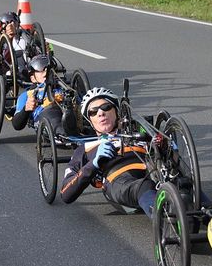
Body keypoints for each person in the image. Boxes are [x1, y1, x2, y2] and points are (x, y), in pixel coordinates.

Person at [60, 87, 158, 216]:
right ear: (89, 120)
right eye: (93, 112)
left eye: (106, 107)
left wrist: (160, 144)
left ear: (117, 111)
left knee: (184, 189)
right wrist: (94, 164)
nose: (101, 113)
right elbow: (65, 193)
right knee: (144, 186)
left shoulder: (137, 130)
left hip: (154, 168)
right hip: (118, 179)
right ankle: (165, 223)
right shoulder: (85, 148)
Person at [11, 54, 65, 134]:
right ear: (32, 78)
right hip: (47, 115)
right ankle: (64, 133)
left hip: (68, 112)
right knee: (52, 114)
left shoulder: (63, 87)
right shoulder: (27, 95)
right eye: (41, 69)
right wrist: (26, 109)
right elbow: (16, 125)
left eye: (49, 69)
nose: (46, 72)